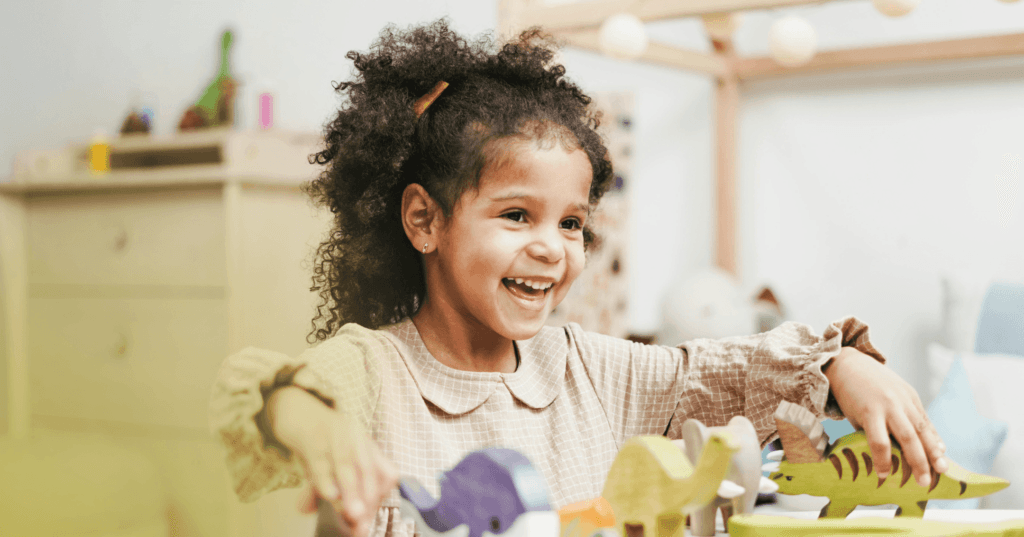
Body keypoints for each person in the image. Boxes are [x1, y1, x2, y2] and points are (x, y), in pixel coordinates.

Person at [209, 19, 947, 537]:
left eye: (570, 223)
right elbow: (258, 391)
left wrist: (841, 360)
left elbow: (725, 370)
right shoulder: (373, 368)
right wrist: (315, 422)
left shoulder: (589, 368)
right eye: (516, 215)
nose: (552, 248)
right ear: (424, 221)